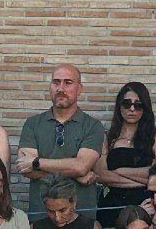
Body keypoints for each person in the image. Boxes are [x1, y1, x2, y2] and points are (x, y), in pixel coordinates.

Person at [16, 64, 105, 215]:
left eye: (68, 82)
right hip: (41, 214)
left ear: (79, 89)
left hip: (81, 215)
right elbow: (26, 169)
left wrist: (37, 162)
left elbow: (81, 166)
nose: (60, 88)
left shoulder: (93, 126)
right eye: (56, 82)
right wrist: (77, 177)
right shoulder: (32, 124)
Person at [95, 82, 156, 229]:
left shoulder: (155, 137)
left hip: (145, 206)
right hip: (112, 205)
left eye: (138, 104)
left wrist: (120, 171)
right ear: (119, 106)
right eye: (127, 104)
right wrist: (145, 180)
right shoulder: (108, 138)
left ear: (145, 108)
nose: (132, 109)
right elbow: (101, 175)